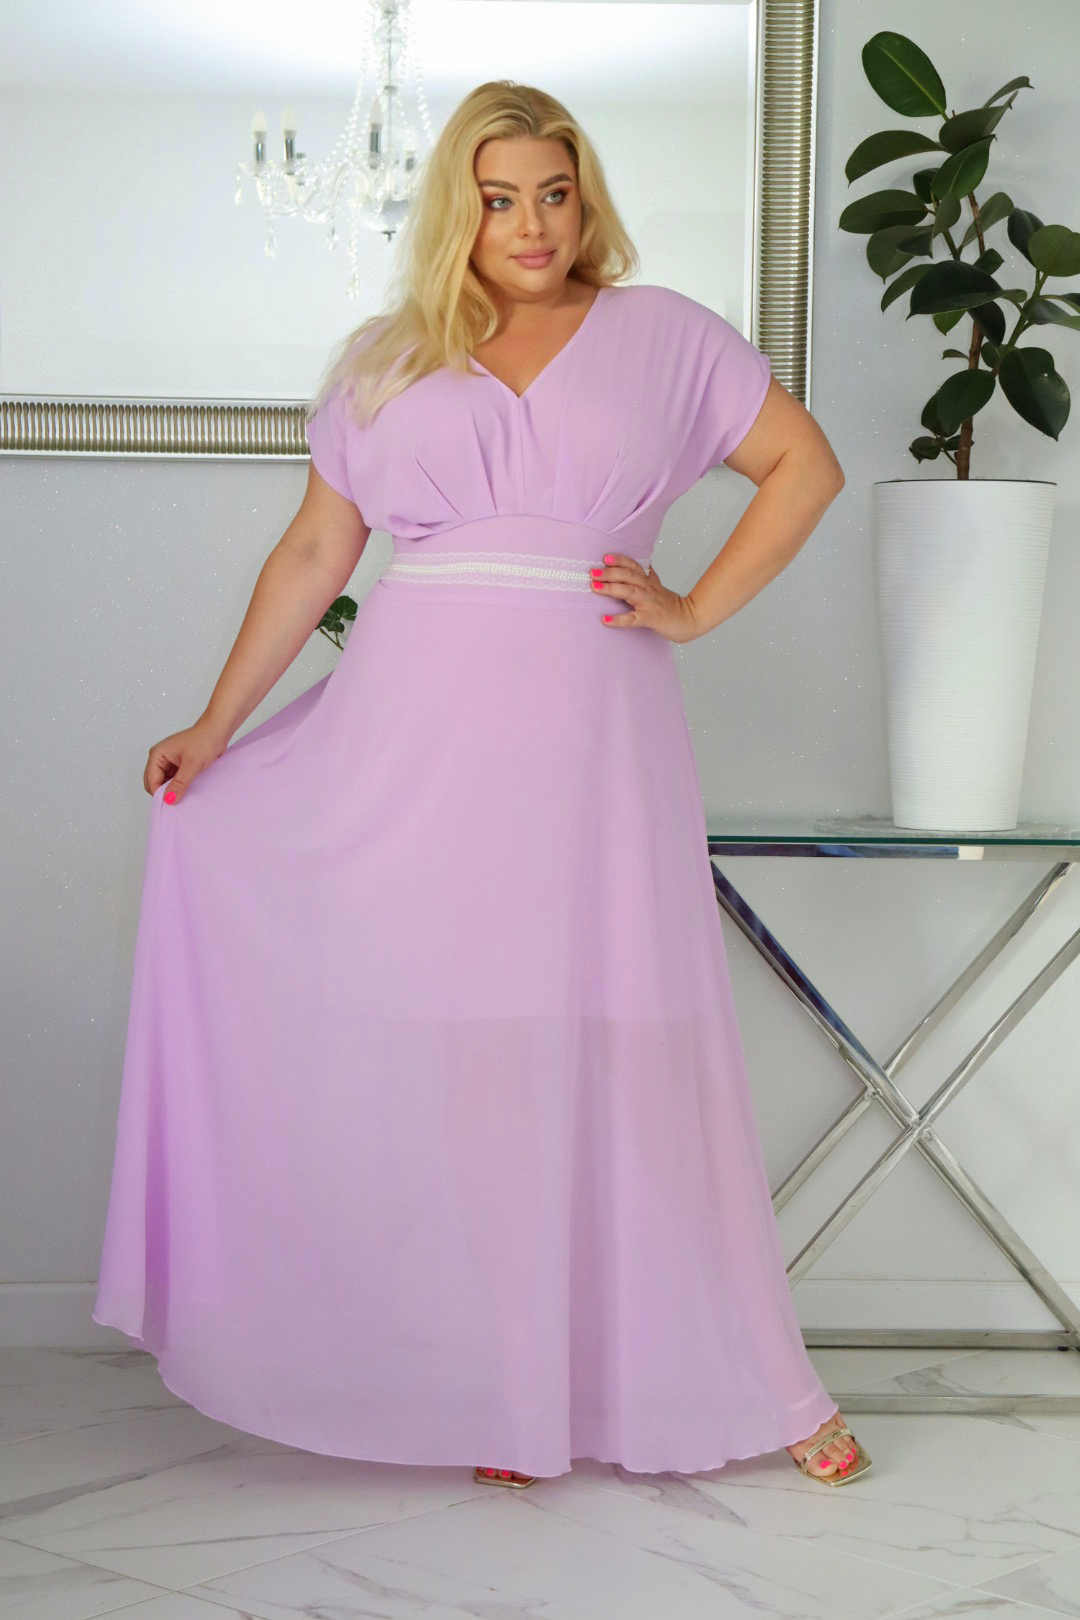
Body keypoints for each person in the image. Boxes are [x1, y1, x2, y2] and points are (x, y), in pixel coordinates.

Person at [92, 79, 870, 1490]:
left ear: (587, 201)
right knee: (477, 1065)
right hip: (415, 742)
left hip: (595, 739)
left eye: (555, 194)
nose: (531, 224)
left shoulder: (667, 334)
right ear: (459, 207)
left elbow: (802, 467)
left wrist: (694, 607)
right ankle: (514, 1396)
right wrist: (216, 722)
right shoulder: (386, 361)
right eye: (500, 197)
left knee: (641, 1055)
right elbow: (316, 554)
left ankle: (768, 1382)